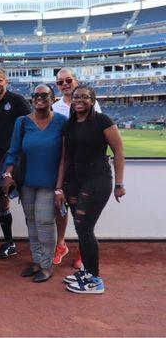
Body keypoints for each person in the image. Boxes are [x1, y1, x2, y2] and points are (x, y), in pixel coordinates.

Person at [61, 85, 125, 294]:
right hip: (74, 181)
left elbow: (118, 151)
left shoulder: (102, 121)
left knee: (85, 228)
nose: (79, 100)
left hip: (97, 178)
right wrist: (59, 186)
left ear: (92, 100)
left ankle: (95, 280)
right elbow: (65, 158)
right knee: (81, 229)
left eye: (85, 97)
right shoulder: (69, 124)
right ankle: (87, 272)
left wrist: (119, 184)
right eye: (76, 97)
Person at [2, 84, 68, 282]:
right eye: (35, 95)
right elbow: (13, 152)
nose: (39, 98)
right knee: (31, 222)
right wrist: (8, 172)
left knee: (45, 222)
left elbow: (66, 157)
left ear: (52, 98)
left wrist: (60, 186)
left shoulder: (62, 122)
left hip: (50, 183)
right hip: (26, 183)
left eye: (44, 95)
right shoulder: (22, 122)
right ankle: (37, 261)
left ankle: (47, 265)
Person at [52, 67, 102, 268]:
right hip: (62, 166)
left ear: (76, 80)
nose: (65, 84)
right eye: (60, 82)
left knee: (84, 213)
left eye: (68, 80)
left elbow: (98, 133)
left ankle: (84, 250)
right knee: (60, 208)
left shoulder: (91, 103)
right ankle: (61, 244)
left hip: (86, 169)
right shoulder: (55, 107)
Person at [0, 67, 31, 259]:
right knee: (2, 199)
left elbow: (30, 123)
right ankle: (9, 242)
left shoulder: (17, 100)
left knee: (26, 198)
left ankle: (37, 242)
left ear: (6, 82)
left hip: (15, 159)